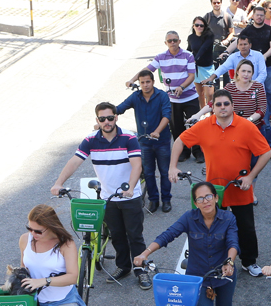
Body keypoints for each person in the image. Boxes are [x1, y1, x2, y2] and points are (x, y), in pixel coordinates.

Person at [134, 181, 238, 306]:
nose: (205, 201)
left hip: (223, 275)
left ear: (216, 198)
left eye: (208, 196)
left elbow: (233, 243)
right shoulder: (189, 218)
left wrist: (229, 261)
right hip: (198, 278)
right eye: (200, 198)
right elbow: (168, 235)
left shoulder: (228, 218)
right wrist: (145, 253)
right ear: (195, 203)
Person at [170, 90, 271, 276]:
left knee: (246, 228)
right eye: (218, 104)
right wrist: (172, 167)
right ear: (212, 107)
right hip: (214, 191)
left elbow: (266, 152)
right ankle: (217, 263)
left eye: (226, 104)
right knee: (213, 229)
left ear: (232, 106)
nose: (222, 107)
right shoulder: (203, 126)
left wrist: (250, 177)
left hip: (240, 188)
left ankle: (249, 262)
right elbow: (179, 141)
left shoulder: (246, 127)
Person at [50, 102, 146, 285]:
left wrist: (131, 187)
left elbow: (136, 165)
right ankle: (124, 266)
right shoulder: (91, 140)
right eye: (102, 119)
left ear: (116, 117)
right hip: (107, 197)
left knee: (135, 235)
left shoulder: (128, 137)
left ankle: (141, 269)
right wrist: (58, 183)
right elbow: (74, 161)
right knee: (117, 235)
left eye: (110, 118)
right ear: (97, 120)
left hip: (129, 196)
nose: (107, 122)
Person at [131, 31, 200, 164]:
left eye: (175, 40)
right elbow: (146, 70)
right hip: (172, 100)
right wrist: (132, 80)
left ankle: (198, 152)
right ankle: (183, 152)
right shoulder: (160, 57)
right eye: (170, 41)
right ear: (166, 43)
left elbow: (191, 75)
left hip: (190, 97)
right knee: (177, 128)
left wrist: (182, 87)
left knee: (195, 126)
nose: (172, 43)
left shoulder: (188, 56)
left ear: (180, 41)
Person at [116, 71, 173, 214]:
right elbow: (120, 108)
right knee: (148, 172)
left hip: (162, 141)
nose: (145, 85)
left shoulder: (162, 96)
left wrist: (158, 131)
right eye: (142, 82)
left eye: (148, 82)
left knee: (165, 172)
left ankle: (166, 200)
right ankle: (153, 200)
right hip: (144, 142)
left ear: (153, 82)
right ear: (139, 83)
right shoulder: (136, 96)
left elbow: (167, 116)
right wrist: (105, 117)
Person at [232, 6, 271, 125]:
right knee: (253, 89)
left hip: (268, 65)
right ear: (252, 16)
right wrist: (226, 52)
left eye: (261, 15)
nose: (259, 17)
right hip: (251, 68)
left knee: (268, 90)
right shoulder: (247, 31)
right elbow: (237, 42)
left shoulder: (270, 30)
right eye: (257, 15)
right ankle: (257, 114)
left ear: (265, 16)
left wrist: (263, 56)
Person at [187, 15, 216, 109]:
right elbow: (189, 50)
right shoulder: (191, 37)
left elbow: (204, 49)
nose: (199, 27)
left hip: (207, 68)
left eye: (201, 25)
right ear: (193, 26)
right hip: (196, 69)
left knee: (210, 94)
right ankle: (203, 114)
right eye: (197, 25)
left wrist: (195, 59)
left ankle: (212, 113)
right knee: (200, 94)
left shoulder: (209, 36)